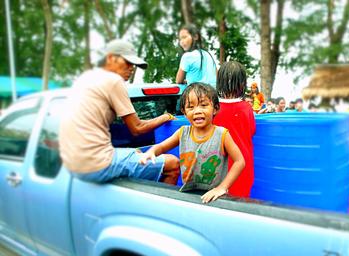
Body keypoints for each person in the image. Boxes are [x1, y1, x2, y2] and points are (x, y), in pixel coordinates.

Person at [59, 39, 179, 184]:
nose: (132, 68)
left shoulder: (86, 79)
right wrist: (165, 117)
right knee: (172, 164)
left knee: (136, 152)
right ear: (110, 58)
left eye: (133, 65)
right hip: (94, 164)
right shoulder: (113, 80)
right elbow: (137, 128)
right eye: (128, 63)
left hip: (73, 163)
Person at [140, 83, 245, 203]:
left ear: (215, 109)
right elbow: (162, 146)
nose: (197, 111)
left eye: (204, 105)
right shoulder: (182, 133)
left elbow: (239, 161)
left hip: (215, 198)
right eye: (191, 107)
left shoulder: (222, 134)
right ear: (184, 112)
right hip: (188, 195)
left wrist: (221, 188)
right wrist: (152, 151)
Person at [214, 61, 256, 198]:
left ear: (219, 82)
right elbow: (252, 131)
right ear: (243, 84)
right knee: (241, 200)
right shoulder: (246, 108)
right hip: (244, 165)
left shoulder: (214, 109)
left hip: (219, 166)